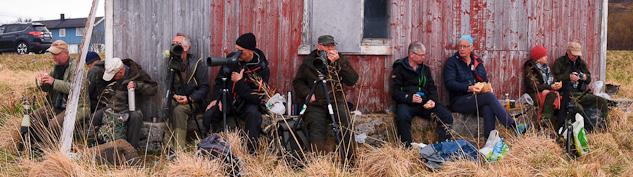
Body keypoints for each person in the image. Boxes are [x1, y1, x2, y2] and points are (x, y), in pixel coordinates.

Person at [442, 35, 527, 138]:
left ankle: (489, 141)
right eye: (460, 46)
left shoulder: (477, 62)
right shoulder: (452, 62)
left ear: (471, 48)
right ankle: (513, 126)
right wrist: (469, 87)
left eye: (465, 46)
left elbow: (484, 80)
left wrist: (486, 87)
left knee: (488, 107)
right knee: (489, 97)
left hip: (475, 99)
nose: (462, 49)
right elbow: (449, 83)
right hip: (459, 101)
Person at [292, 35, 358, 163]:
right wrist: (307, 94)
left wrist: (339, 62)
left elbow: (352, 80)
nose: (330, 48)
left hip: (336, 100)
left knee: (346, 125)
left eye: (332, 46)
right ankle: (319, 164)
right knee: (316, 127)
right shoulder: (309, 61)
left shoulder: (339, 59)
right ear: (319, 46)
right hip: (316, 103)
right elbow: (298, 82)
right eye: (326, 46)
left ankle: (350, 161)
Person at [203, 32, 270, 154]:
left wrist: (239, 82)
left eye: (241, 51)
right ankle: (209, 147)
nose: (237, 53)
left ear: (250, 51)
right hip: (229, 99)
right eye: (237, 50)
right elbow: (219, 80)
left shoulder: (262, 67)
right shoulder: (233, 58)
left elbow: (257, 97)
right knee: (210, 114)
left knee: (254, 115)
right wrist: (216, 99)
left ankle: (250, 152)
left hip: (248, 102)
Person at [392, 41, 454, 146]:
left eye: (424, 55)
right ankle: (406, 148)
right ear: (412, 55)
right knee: (402, 117)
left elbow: (432, 88)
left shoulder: (425, 70)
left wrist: (432, 100)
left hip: (424, 104)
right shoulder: (399, 68)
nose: (424, 57)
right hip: (407, 104)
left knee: (446, 115)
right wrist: (410, 98)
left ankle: (443, 146)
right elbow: (395, 92)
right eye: (421, 55)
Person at [91, 57, 157, 148]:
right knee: (95, 117)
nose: (113, 78)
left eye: (114, 76)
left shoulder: (137, 73)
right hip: (113, 106)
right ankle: (95, 147)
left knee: (136, 117)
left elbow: (153, 89)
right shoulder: (111, 71)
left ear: (121, 71)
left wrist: (137, 85)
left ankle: (130, 150)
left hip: (130, 107)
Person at [31, 40, 90, 142]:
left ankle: (53, 149)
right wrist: (42, 83)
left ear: (66, 53)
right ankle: (39, 143)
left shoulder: (76, 67)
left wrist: (53, 82)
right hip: (57, 106)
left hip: (76, 108)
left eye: (56, 54)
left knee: (54, 124)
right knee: (34, 117)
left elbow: (76, 89)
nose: (54, 57)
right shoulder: (57, 68)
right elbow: (48, 89)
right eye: (53, 54)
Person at [165, 33, 210, 151]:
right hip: (178, 98)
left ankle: (178, 150)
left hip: (195, 101)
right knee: (168, 106)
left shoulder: (197, 63)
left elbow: (204, 88)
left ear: (186, 48)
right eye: (172, 44)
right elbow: (168, 83)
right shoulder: (172, 62)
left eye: (177, 44)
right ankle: (168, 146)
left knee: (179, 110)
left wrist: (190, 99)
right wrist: (174, 96)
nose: (173, 46)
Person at [552, 42, 609, 131]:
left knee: (602, 102)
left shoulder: (581, 63)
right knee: (579, 108)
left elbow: (589, 79)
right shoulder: (559, 62)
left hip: (582, 93)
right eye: (573, 55)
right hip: (568, 95)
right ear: (568, 52)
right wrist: (569, 77)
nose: (575, 57)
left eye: (577, 55)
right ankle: (588, 130)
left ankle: (604, 127)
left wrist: (585, 77)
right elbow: (556, 78)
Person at [523, 45, 562, 129]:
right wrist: (548, 88)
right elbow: (534, 86)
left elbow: (551, 81)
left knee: (559, 96)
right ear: (538, 58)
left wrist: (556, 84)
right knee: (552, 96)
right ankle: (544, 120)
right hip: (534, 94)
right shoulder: (530, 68)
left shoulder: (546, 67)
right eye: (544, 55)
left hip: (546, 91)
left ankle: (558, 126)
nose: (546, 57)